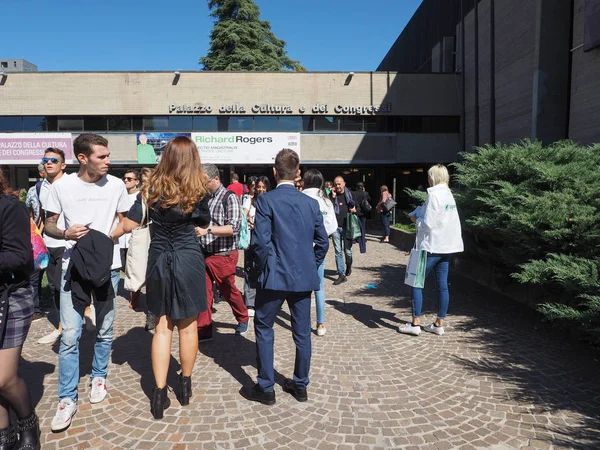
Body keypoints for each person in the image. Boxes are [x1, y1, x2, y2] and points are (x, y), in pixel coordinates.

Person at [44, 134, 130, 432]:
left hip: (109, 268)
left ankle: (98, 377)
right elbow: (50, 224)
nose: (108, 161)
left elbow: (129, 219)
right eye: (102, 157)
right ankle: (67, 399)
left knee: (105, 330)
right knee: (70, 335)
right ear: (83, 158)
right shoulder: (62, 186)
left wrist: (107, 238)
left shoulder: (117, 185)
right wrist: (66, 234)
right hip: (73, 267)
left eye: (108, 156)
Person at [122, 136, 210, 420]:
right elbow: (203, 223)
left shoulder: (149, 189)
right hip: (188, 258)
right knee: (189, 327)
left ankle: (159, 395)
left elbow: (129, 223)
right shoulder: (198, 189)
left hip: (158, 257)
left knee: (162, 327)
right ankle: (184, 384)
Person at [240, 149, 328, 405]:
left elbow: (260, 243)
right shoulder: (311, 203)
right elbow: (322, 242)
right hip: (302, 277)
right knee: (302, 332)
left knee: (264, 328)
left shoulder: (266, 201)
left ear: (275, 172)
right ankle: (300, 385)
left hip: (274, 277)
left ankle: (266, 387)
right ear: (298, 173)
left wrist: (261, 270)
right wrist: (312, 264)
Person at [0, 170, 41, 450]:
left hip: (12, 295)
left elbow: (18, 256)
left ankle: (28, 422)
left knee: (3, 377)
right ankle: (3, 432)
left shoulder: (9, 206)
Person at [398, 164, 464, 337]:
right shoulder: (449, 195)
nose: (427, 179)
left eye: (429, 176)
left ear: (433, 178)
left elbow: (427, 224)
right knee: (442, 286)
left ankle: (415, 323)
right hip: (447, 247)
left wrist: (415, 219)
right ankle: (438, 323)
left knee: (416, 283)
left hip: (431, 247)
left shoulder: (434, 196)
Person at [196, 164, 249, 342]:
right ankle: (204, 328)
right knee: (204, 292)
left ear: (216, 179)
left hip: (224, 254)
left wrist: (208, 231)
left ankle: (242, 317)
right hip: (204, 252)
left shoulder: (229, 197)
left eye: (206, 182)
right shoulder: (204, 197)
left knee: (228, 290)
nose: (203, 186)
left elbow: (233, 228)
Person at [37, 148, 73, 345]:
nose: (48, 162)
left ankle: (65, 326)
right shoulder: (41, 185)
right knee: (52, 287)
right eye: (46, 159)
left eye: (53, 160)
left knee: (63, 285)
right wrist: (38, 236)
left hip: (66, 243)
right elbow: (43, 214)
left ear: (63, 165)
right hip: (48, 243)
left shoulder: (70, 184)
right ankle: (63, 323)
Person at [302, 169, 337, 336]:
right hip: (319, 247)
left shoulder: (300, 198)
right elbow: (332, 227)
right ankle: (320, 323)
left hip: (301, 247)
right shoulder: (326, 202)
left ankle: (302, 321)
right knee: (319, 285)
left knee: (302, 287)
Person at [243, 176, 271, 317]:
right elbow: (244, 215)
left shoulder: (271, 201)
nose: (260, 189)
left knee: (265, 268)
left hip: (267, 239)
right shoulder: (250, 200)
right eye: (258, 186)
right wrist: (248, 222)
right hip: (253, 238)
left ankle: (264, 299)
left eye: (263, 187)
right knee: (250, 269)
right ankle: (250, 302)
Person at [24, 164, 45, 321]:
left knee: (35, 275)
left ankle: (35, 309)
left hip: (38, 237)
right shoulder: (35, 190)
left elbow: (29, 213)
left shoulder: (32, 190)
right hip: (52, 237)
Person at [119, 169, 141, 308]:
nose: (126, 181)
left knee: (134, 268)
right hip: (121, 239)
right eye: (125, 178)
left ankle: (136, 296)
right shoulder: (121, 196)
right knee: (123, 267)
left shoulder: (140, 196)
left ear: (137, 182)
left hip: (135, 238)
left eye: (129, 179)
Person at [331, 176, 357, 285]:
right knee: (338, 251)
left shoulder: (350, 195)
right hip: (336, 227)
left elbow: (357, 209)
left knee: (347, 251)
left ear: (344, 184)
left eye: (339, 184)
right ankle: (341, 274)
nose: (337, 186)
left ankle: (349, 264)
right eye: (336, 184)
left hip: (347, 226)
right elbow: (328, 209)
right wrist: (332, 197)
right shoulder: (331, 196)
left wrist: (355, 210)